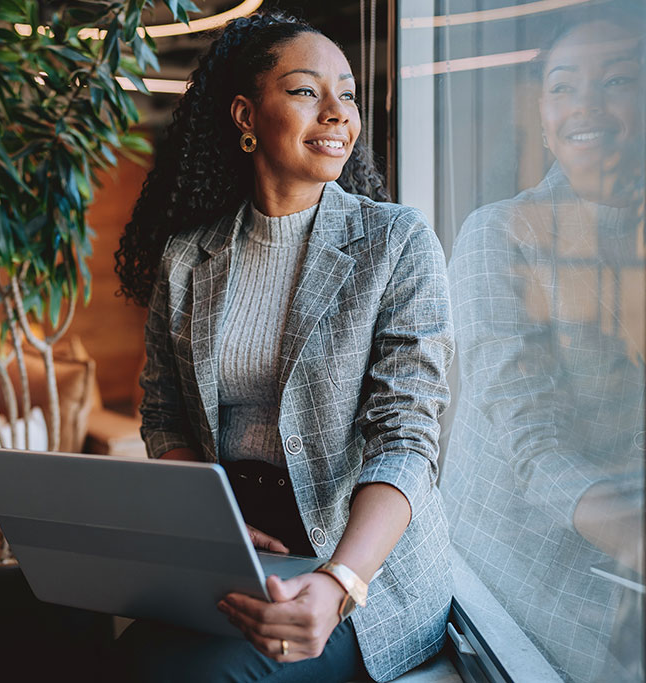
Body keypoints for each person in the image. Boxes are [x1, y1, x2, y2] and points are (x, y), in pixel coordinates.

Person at [113, 11, 454, 683]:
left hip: (361, 566)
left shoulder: (397, 243)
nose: (337, 113)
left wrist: (339, 581)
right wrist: (215, 528)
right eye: (305, 91)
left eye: (348, 94)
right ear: (245, 114)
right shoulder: (188, 256)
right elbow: (166, 417)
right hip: (237, 550)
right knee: (121, 659)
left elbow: (407, 439)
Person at [441, 10, 644, 683]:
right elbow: (533, 446)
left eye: (617, 80)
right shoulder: (500, 234)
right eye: (562, 87)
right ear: (543, 119)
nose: (586, 105)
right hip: (521, 579)